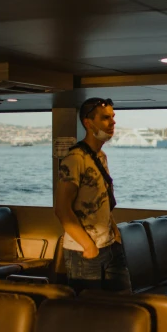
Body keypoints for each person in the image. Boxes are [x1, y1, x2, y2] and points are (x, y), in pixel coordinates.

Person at [55, 97, 131, 293]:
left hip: (110, 245)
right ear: (88, 123)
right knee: (89, 313)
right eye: (105, 118)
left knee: (125, 306)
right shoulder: (74, 159)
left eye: (113, 117)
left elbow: (102, 201)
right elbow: (62, 209)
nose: (113, 122)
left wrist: (115, 234)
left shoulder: (100, 157)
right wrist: (89, 246)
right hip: (84, 252)